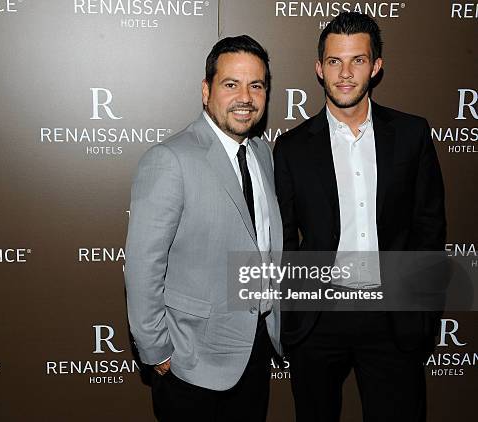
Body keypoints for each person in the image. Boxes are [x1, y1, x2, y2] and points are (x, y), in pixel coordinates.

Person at [273, 12, 446, 422]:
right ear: (319, 69)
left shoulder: (411, 134)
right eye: (335, 61)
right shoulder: (292, 148)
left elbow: (429, 228)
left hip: (393, 318)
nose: (346, 73)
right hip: (318, 319)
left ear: (376, 66)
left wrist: (421, 311)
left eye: (357, 60)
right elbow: (282, 240)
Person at [125, 35, 283, 422]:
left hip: (255, 347)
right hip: (191, 358)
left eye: (256, 85)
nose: (245, 97)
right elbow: (143, 266)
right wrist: (157, 350)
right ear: (206, 90)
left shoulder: (262, 152)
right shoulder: (169, 160)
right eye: (231, 84)